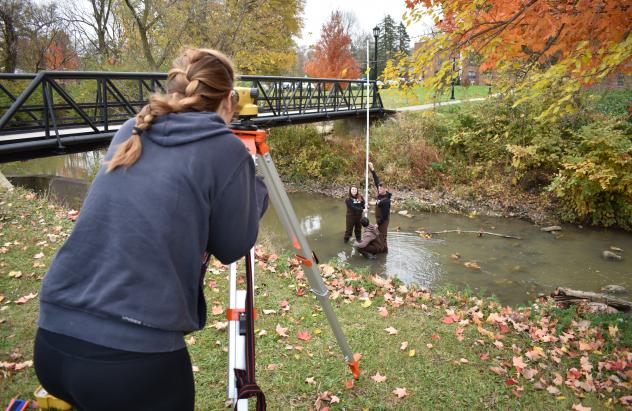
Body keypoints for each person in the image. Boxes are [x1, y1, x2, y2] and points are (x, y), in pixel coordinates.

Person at [33, 48, 268, 411]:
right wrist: (257, 186)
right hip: (131, 365)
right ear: (226, 98)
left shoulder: (134, 127)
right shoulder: (224, 150)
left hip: (52, 343)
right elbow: (232, 246)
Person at [368, 162, 391, 251]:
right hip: (379, 218)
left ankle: (384, 251)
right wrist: (372, 169)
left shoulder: (386, 201)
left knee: (382, 236)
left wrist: (378, 223)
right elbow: (376, 180)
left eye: (381, 188)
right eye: (379, 188)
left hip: (383, 220)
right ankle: (383, 248)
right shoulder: (380, 193)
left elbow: (385, 216)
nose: (379, 189)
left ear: (386, 189)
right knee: (379, 235)